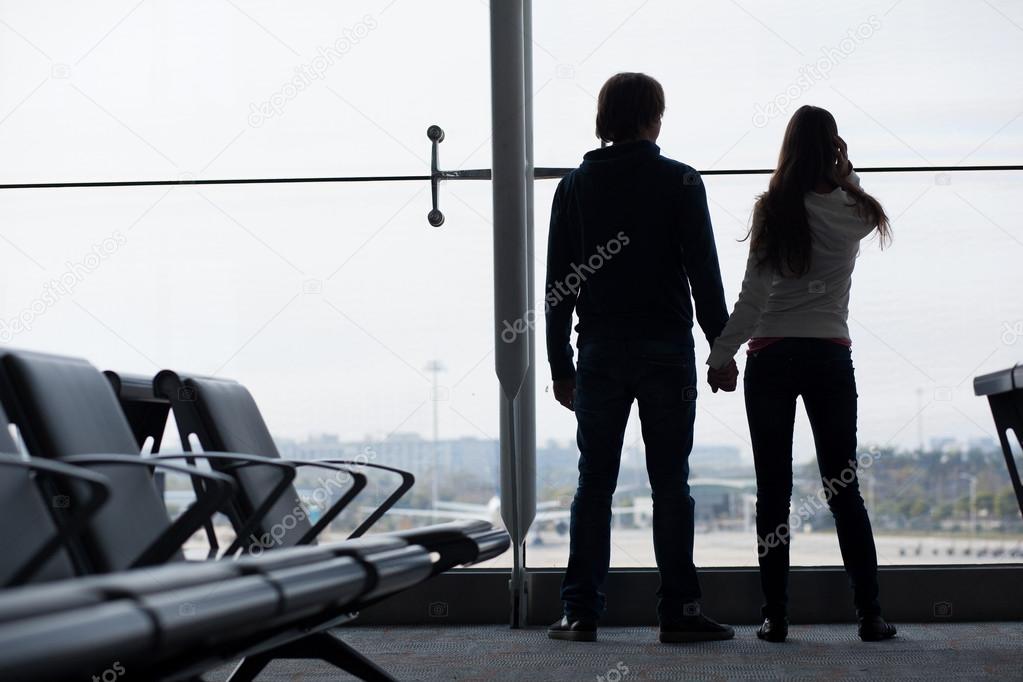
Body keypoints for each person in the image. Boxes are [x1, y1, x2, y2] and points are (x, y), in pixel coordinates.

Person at [545, 72, 737, 643]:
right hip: (666, 351)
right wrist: (721, 350)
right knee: (670, 485)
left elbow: (559, 284)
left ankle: (579, 612)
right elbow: (704, 272)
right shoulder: (680, 181)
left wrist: (561, 366)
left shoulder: (574, 187)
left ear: (605, 118)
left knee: (594, 484)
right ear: (654, 116)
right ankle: (678, 611)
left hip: (600, 350)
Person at [707, 104, 897, 643]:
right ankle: (870, 615)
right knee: (844, 488)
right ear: (833, 149)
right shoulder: (854, 212)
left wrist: (722, 356)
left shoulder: (775, 209)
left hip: (772, 357)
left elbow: (753, 296)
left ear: (787, 149)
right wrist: (846, 173)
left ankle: (776, 617)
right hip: (830, 357)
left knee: (774, 491)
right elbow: (851, 197)